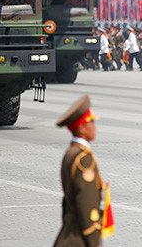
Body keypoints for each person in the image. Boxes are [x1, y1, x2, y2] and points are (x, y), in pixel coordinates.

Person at [55, 95, 104, 247]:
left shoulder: (71, 152)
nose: (95, 127)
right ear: (82, 128)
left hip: (69, 231)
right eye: (91, 122)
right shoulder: (84, 159)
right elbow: (86, 203)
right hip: (79, 238)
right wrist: (94, 240)